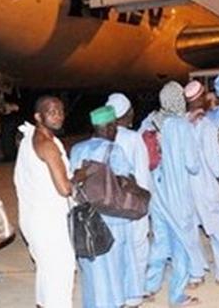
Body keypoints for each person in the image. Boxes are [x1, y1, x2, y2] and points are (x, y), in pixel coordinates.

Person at [70, 106, 143, 308]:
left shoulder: (77, 149)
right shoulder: (114, 150)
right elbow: (125, 180)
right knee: (115, 267)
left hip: (87, 216)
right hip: (113, 217)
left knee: (94, 268)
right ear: (110, 126)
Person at [141, 81, 201, 306]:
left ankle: (148, 287)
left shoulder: (150, 121)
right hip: (177, 196)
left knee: (161, 242)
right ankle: (177, 295)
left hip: (156, 194)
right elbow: (193, 165)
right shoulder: (181, 126)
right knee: (183, 244)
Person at [14, 96, 76, 308]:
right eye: (51, 112)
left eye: (60, 110)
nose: (58, 115)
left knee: (46, 275)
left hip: (34, 218)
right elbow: (65, 188)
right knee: (60, 278)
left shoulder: (30, 138)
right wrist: (82, 175)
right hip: (49, 223)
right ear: (38, 116)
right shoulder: (47, 145)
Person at [184, 80, 219, 281]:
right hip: (206, 184)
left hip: (186, 186)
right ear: (200, 98)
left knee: (192, 231)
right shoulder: (205, 126)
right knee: (218, 229)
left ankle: (195, 274)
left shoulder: (181, 123)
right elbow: (214, 160)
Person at [105, 93, 151, 301]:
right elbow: (142, 174)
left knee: (116, 249)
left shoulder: (102, 136)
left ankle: (118, 292)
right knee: (138, 247)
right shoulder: (133, 139)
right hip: (132, 202)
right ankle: (136, 292)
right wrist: (147, 200)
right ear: (127, 113)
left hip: (110, 203)